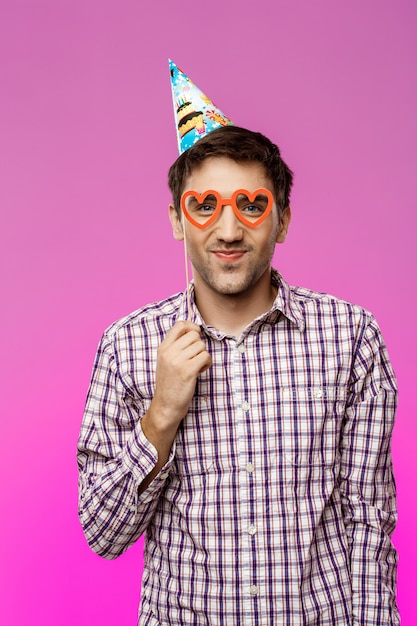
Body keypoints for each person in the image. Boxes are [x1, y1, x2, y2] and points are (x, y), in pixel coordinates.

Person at [77, 125, 399, 625]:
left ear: (283, 220)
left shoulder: (350, 336)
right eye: (205, 206)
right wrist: (162, 414)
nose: (228, 231)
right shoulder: (127, 346)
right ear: (177, 221)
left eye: (251, 205)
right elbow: (103, 533)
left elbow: (368, 523)